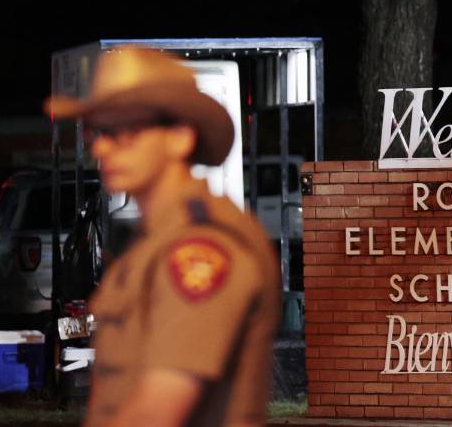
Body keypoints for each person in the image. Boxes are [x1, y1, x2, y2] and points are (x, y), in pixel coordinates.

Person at [46, 46, 280, 427]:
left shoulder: (201, 248)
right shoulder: (153, 242)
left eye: (125, 130)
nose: (102, 147)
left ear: (180, 137)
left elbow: (158, 411)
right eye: (101, 131)